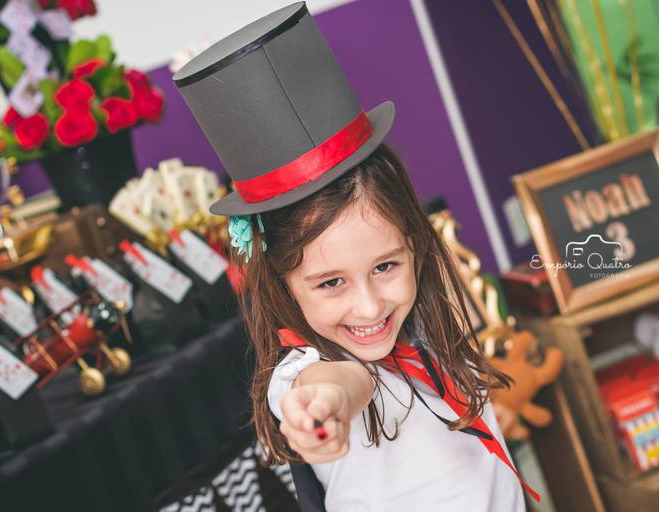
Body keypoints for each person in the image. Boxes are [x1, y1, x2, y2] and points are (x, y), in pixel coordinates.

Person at [173, 3, 538, 510]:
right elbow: (346, 383)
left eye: (385, 267)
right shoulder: (305, 372)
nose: (369, 308)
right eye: (330, 283)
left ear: (415, 242)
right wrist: (323, 406)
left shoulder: (425, 321)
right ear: (284, 285)